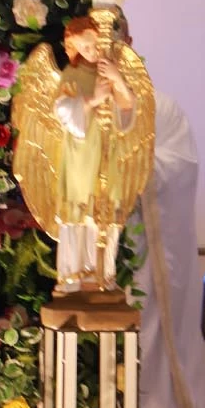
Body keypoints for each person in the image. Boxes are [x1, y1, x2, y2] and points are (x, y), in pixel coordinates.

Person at [114, 9, 205, 408]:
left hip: (148, 260)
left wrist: (129, 164)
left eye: (115, 38)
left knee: (149, 355)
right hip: (91, 256)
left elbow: (180, 168)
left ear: (130, 41)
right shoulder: (75, 107)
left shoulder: (160, 108)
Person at [51, 16, 138, 291]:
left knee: (105, 209)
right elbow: (61, 109)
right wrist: (92, 100)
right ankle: (74, 275)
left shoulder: (112, 71)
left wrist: (116, 79)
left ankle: (102, 274)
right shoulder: (72, 74)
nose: (91, 52)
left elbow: (128, 108)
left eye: (94, 45)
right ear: (75, 49)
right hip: (80, 155)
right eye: (84, 48)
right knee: (79, 209)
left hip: (107, 152)